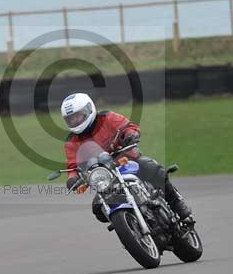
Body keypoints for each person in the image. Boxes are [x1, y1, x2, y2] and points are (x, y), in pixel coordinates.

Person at [61, 92, 194, 225]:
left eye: (78, 116)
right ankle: (130, 225)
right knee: (98, 209)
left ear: (88, 109)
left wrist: (130, 135)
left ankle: (177, 203)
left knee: (153, 169)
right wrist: (72, 178)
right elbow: (73, 166)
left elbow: (128, 126)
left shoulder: (106, 117)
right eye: (71, 119)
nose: (75, 121)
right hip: (106, 176)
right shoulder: (71, 142)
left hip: (127, 159)